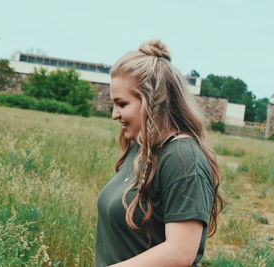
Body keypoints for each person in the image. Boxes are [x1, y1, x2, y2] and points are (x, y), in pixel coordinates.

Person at [96, 40, 224, 267]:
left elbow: (180, 252)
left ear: (152, 100)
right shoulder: (140, 147)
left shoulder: (183, 158)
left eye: (122, 104)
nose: (114, 114)